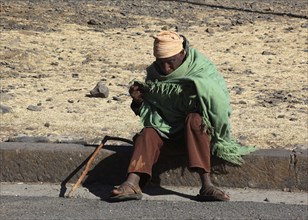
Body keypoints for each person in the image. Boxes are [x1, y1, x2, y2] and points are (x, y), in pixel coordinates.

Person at [110, 31, 255, 202]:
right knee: (147, 133)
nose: (165, 69)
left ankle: (206, 185)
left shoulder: (200, 68)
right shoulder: (154, 73)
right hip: (166, 133)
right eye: (160, 62)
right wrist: (139, 101)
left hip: (196, 136)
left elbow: (218, 103)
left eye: (170, 62)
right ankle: (132, 183)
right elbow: (152, 114)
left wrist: (193, 95)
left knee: (195, 120)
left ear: (181, 53)